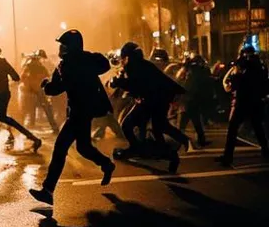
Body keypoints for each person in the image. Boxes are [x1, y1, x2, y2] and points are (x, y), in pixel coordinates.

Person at [30, 30, 116, 205]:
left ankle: (48, 190)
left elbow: (54, 89)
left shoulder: (65, 65)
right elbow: (104, 65)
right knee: (83, 147)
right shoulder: (85, 60)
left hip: (79, 111)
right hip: (85, 109)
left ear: (70, 46)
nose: (61, 48)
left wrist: (45, 84)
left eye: (63, 45)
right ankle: (106, 164)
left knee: (60, 147)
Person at [110, 42, 189, 173]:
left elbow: (135, 84)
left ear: (129, 57)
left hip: (152, 101)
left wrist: (118, 82)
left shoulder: (137, 67)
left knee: (130, 125)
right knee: (157, 128)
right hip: (153, 101)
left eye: (124, 58)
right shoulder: (141, 65)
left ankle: (162, 152)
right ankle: (164, 151)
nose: (123, 61)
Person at [216, 45, 269, 166]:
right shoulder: (260, 66)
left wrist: (236, 76)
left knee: (233, 129)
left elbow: (236, 82)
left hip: (243, 101)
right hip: (255, 101)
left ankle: (228, 157)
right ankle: (265, 150)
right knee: (257, 127)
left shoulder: (244, 65)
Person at [176, 54, 212, 148]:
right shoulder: (193, 72)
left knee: (191, 122)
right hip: (190, 100)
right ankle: (179, 140)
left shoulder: (188, 71)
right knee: (190, 121)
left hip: (188, 100)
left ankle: (200, 140)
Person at [21, 49, 59, 134]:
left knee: (29, 109)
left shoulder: (28, 66)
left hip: (31, 90)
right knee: (46, 108)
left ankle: (28, 128)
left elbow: (23, 77)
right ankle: (54, 128)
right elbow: (47, 76)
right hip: (36, 90)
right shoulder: (38, 66)